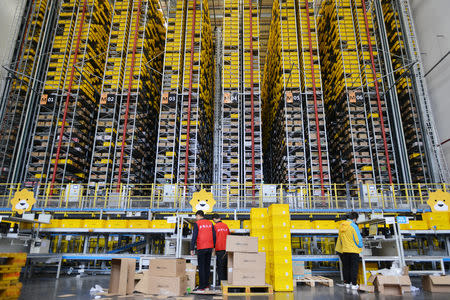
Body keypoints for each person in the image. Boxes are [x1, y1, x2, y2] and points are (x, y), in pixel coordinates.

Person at [336, 211, 363, 290]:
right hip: (354, 250)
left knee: (346, 267)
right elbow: (358, 239)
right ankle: (354, 284)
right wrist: (360, 246)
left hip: (344, 250)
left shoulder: (341, 226)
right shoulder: (353, 226)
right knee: (354, 267)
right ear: (354, 219)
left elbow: (340, 238)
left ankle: (347, 283)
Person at [190, 210, 216, 291]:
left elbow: (194, 236)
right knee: (207, 266)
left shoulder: (197, 224)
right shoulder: (210, 223)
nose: (196, 218)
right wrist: (213, 247)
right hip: (209, 248)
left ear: (198, 215)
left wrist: (191, 248)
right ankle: (207, 285)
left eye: (196, 216)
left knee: (201, 267)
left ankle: (201, 286)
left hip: (201, 247)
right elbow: (214, 236)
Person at [212, 213, 230, 284]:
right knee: (226, 266)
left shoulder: (215, 226)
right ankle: (226, 282)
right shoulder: (226, 226)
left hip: (219, 249)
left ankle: (221, 283)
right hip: (227, 249)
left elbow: (213, 238)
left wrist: (213, 250)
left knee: (220, 267)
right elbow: (229, 236)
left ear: (214, 219)